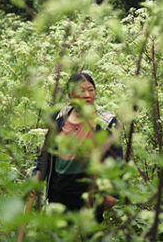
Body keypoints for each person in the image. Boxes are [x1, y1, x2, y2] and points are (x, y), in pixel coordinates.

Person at [35, 72, 122, 222]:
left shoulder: (106, 121)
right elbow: (47, 151)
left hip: (90, 190)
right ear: (70, 94)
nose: (88, 95)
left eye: (91, 90)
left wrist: (114, 193)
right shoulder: (60, 116)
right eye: (82, 91)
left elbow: (116, 159)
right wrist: (37, 174)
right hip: (59, 188)